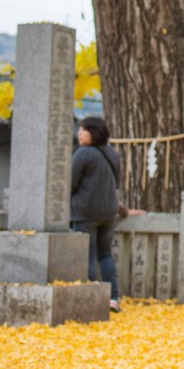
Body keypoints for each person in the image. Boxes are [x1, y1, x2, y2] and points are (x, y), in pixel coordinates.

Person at [72, 116, 127, 312]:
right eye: (79, 130)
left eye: (83, 130)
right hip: (109, 212)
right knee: (105, 255)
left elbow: (70, 182)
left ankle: (90, 297)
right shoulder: (112, 154)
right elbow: (116, 184)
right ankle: (113, 298)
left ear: (94, 132)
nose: (79, 133)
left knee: (87, 255)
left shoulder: (83, 153)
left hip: (86, 212)